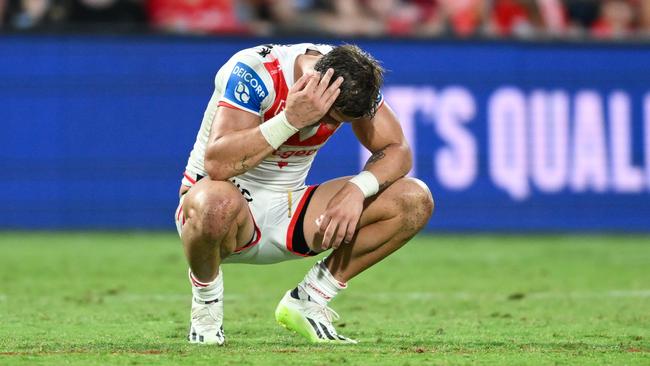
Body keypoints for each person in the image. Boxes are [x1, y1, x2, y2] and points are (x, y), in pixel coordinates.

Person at [174, 43, 434, 345]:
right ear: (315, 83)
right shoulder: (256, 72)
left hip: (289, 210)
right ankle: (206, 308)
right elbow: (218, 165)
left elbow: (398, 150)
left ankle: (309, 300)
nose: (327, 126)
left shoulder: (350, 80)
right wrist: (290, 120)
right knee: (216, 203)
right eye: (331, 116)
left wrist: (357, 190)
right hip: (219, 212)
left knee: (414, 199)